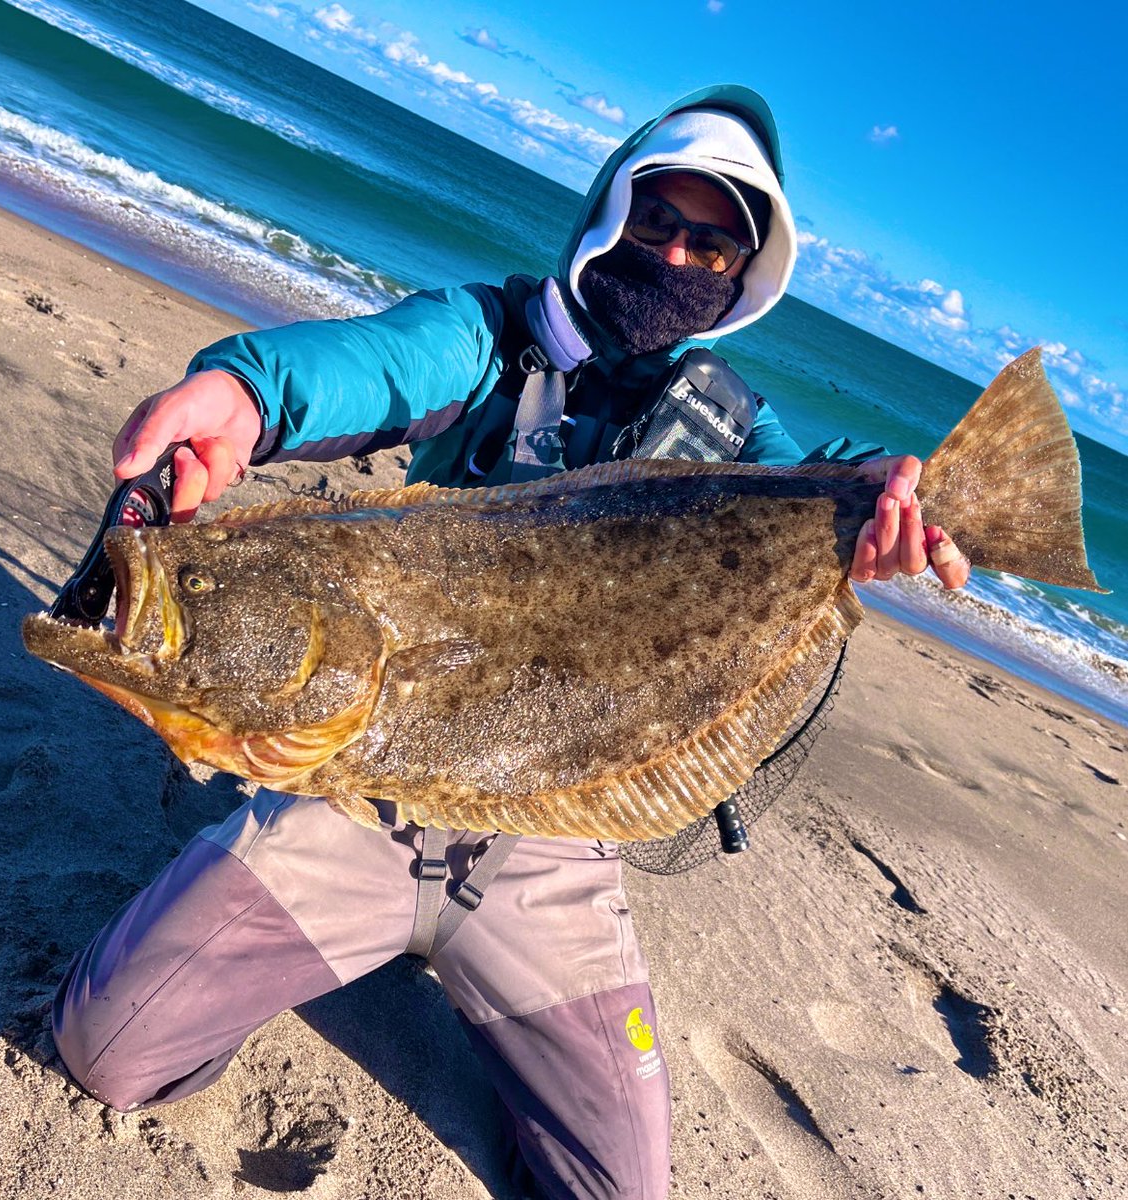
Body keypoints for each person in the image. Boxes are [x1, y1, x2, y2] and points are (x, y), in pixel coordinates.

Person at [51, 86, 969, 1199]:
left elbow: (828, 475)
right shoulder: (489, 338)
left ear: (743, 273)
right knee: (108, 1054)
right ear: (606, 214)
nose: (676, 253)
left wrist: (897, 500)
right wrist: (244, 397)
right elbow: (372, 364)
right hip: (362, 787)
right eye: (654, 220)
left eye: (712, 242)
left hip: (549, 834)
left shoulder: (732, 431)